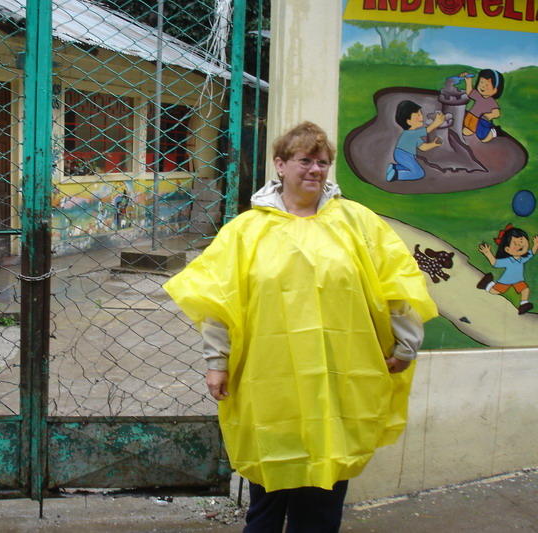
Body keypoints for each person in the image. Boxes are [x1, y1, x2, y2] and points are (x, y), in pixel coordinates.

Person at [164, 122, 437, 532]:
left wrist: (406, 345)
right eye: (305, 160)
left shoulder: (358, 224)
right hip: (269, 379)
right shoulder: (246, 231)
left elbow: (396, 285)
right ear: (281, 164)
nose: (315, 169)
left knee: (324, 499)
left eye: (322, 162)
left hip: (339, 376)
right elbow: (219, 302)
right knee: (268, 498)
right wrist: (216, 361)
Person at [477, 224, 537, 314]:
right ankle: (486, 284)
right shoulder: (508, 260)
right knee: (494, 291)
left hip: (518, 280)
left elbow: (532, 252)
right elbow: (495, 263)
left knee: (525, 290)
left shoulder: (522, 258)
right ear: (508, 249)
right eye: (515, 244)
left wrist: (536, 244)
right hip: (506, 281)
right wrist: (488, 253)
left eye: (522, 241)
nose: (520, 245)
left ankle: (524, 304)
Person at [385, 100, 444, 182]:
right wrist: (435, 123)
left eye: (421, 114)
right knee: (419, 173)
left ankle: (394, 167)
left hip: (404, 155)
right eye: (418, 115)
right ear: (408, 121)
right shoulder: (410, 133)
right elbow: (427, 130)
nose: (421, 117)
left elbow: (423, 147)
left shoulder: (414, 135)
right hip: (403, 155)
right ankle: (396, 175)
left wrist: (434, 144)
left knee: (409, 167)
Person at [460, 69, 504, 143]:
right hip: (472, 116)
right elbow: (470, 92)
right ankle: (471, 131)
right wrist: (468, 81)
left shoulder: (491, 102)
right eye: (481, 82)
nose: (483, 86)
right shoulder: (478, 95)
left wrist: (489, 116)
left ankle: (494, 132)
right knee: (465, 130)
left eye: (487, 85)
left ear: (495, 90)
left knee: (483, 138)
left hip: (482, 121)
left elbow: (497, 113)